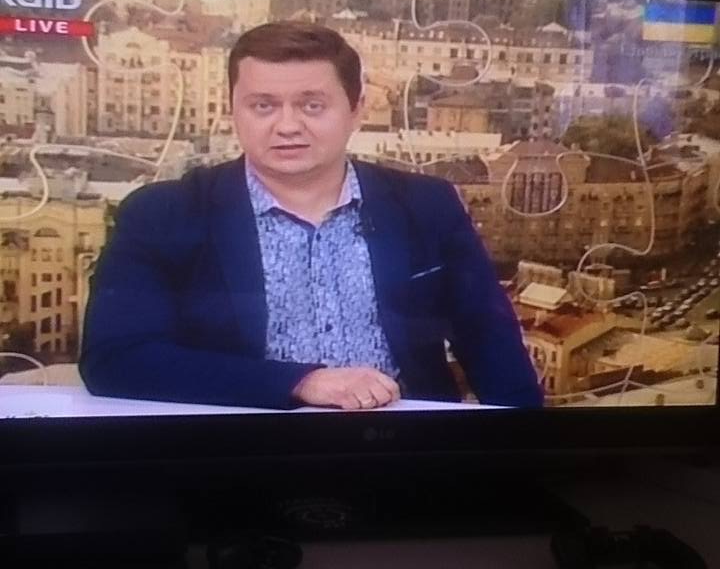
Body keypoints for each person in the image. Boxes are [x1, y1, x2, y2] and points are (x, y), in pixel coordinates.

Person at [80, 22, 542, 411]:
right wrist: (299, 381)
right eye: (263, 105)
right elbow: (116, 358)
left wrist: (528, 459)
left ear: (356, 110)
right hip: (233, 454)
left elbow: (490, 341)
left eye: (312, 105)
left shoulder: (427, 204)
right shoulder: (161, 214)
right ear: (233, 110)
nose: (287, 126)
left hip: (400, 450)